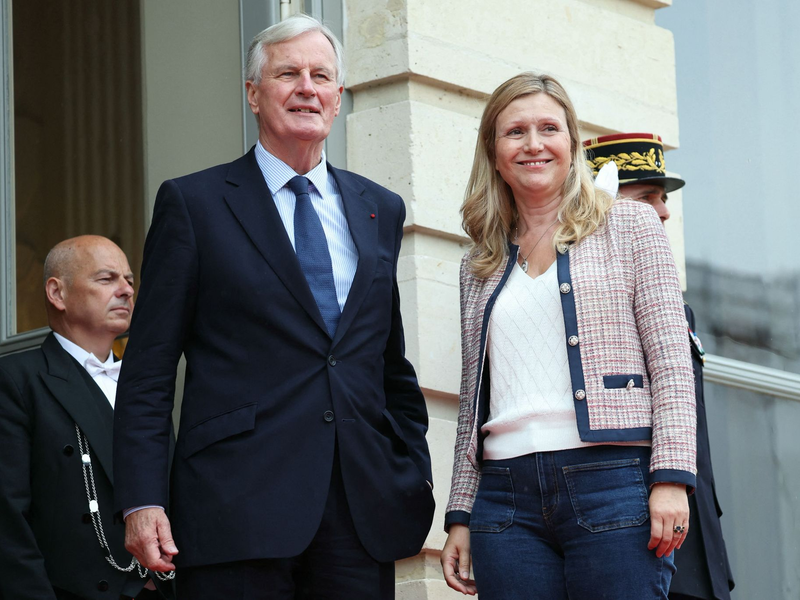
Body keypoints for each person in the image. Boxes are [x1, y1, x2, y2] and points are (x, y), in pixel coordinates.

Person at [112, 13, 434, 599]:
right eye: (288, 74)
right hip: (236, 508)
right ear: (253, 94)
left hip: (359, 511)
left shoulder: (379, 208)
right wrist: (142, 498)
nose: (307, 88)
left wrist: (411, 469)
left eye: (321, 76)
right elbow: (148, 371)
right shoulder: (194, 204)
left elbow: (388, 364)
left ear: (338, 97)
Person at [439, 73, 697, 599]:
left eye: (549, 128)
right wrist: (461, 513)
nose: (533, 144)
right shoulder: (479, 264)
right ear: (493, 153)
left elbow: (671, 363)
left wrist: (672, 477)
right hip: (504, 499)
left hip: (613, 481)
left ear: (573, 144)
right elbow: (473, 401)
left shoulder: (631, 225)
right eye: (515, 132)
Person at [584, 133, 735, 600]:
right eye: (647, 197)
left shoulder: (675, 307)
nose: (664, 212)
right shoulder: (591, 307)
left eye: (663, 198)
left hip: (690, 531)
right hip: (632, 531)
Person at [0, 235, 173, 600]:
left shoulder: (144, 385)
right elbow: (7, 517)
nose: (127, 290)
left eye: (129, 280)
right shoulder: (16, 379)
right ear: (57, 293)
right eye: (107, 278)